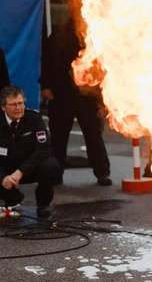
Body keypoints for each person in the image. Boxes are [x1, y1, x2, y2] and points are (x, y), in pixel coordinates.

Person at [40, 15, 112, 186]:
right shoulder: (58, 35)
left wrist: (102, 90)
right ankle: (55, 173)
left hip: (86, 94)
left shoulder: (94, 36)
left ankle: (102, 172)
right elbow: (47, 60)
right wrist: (46, 85)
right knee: (58, 135)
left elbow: (101, 65)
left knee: (93, 133)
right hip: (61, 92)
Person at [0, 86, 62, 220]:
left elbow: (43, 149)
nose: (18, 108)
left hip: (29, 169)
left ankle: (43, 203)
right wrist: (3, 177)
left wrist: (20, 172)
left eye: (21, 103)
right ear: (3, 107)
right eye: (13, 104)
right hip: (6, 170)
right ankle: (11, 197)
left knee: (50, 165)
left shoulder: (33, 119)